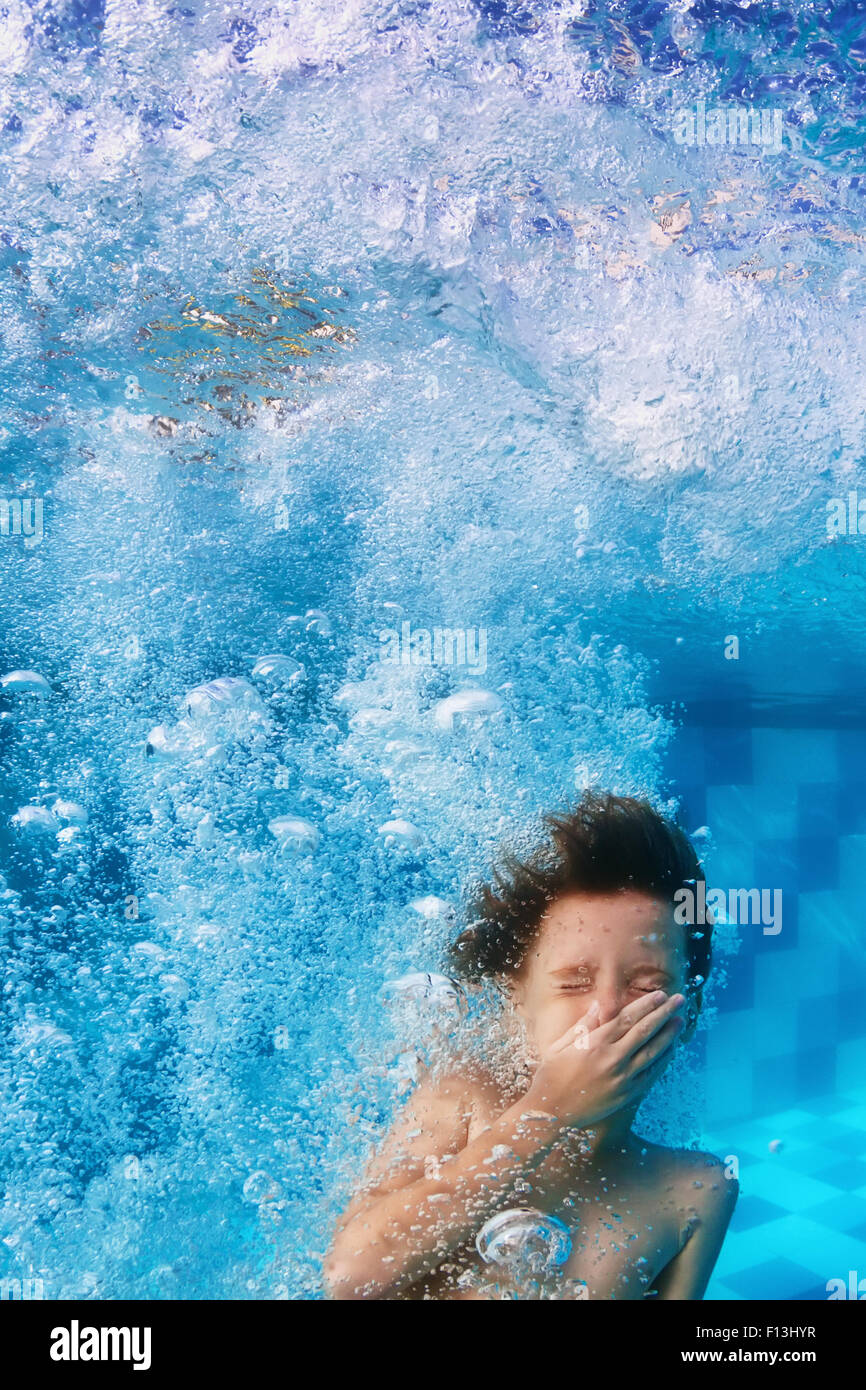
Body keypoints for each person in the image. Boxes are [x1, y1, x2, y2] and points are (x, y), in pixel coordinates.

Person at [324, 792, 737, 1300]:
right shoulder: (462, 1102)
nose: (605, 1010)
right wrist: (550, 1112)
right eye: (572, 983)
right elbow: (350, 1277)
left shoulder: (696, 1191)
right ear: (520, 1003)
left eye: (646, 985)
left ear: (688, 1014)